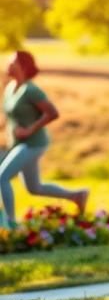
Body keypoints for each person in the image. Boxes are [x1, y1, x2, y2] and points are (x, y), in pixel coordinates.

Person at [0, 50, 89, 226]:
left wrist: (29, 130)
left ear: (23, 66)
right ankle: (77, 195)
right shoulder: (10, 88)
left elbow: (52, 113)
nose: (8, 65)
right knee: (34, 188)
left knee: (2, 177)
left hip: (33, 144)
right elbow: (10, 118)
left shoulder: (31, 90)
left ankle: (10, 223)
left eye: (12, 62)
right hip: (17, 144)